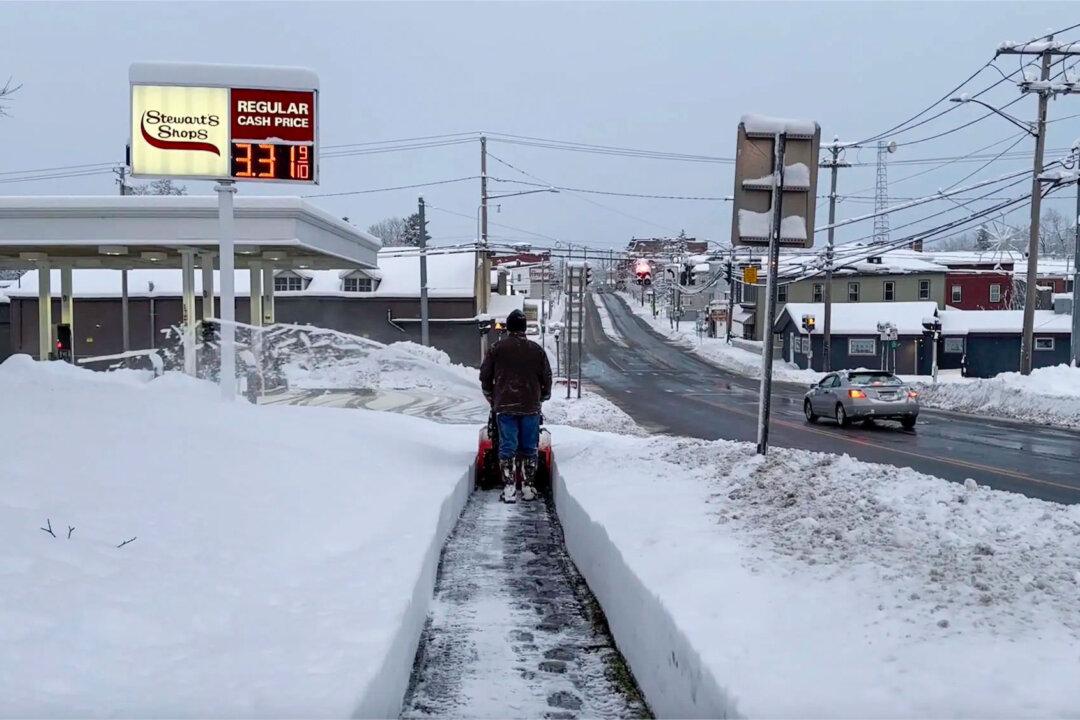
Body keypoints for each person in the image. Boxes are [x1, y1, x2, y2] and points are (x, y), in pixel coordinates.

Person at [479, 308, 553, 503]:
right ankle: (528, 487)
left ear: (508, 328)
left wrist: (491, 396)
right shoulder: (537, 351)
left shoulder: (496, 349)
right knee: (530, 446)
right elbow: (547, 377)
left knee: (507, 446)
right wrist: (543, 396)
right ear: (524, 328)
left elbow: (485, 376)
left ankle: (509, 487)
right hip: (530, 407)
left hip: (504, 406)